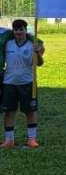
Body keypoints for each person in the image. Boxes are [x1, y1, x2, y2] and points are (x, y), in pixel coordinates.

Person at [0, 19, 44, 149]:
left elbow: (40, 63)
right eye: (16, 29)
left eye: (21, 29)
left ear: (26, 30)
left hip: (27, 82)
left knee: (30, 111)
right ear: (13, 31)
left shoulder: (33, 44)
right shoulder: (7, 43)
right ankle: (9, 140)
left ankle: (31, 139)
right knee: (9, 111)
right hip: (9, 82)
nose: (19, 32)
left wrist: (37, 52)